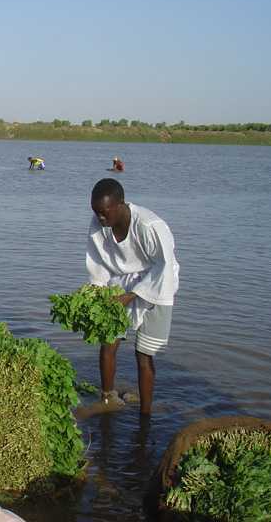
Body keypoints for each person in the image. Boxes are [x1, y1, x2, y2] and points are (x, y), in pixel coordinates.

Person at [86, 178, 179, 416]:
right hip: (121, 281)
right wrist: (97, 290)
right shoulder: (99, 224)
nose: (100, 218)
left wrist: (132, 295)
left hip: (157, 284)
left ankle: (145, 413)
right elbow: (98, 262)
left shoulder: (149, 226)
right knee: (108, 341)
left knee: (143, 354)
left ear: (120, 204)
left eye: (105, 212)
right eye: (96, 212)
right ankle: (108, 398)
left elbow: (164, 267)